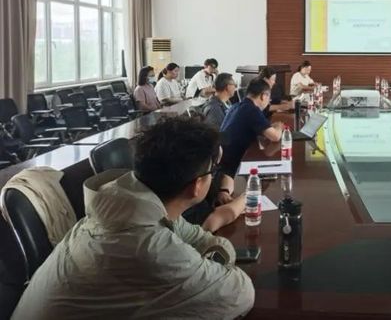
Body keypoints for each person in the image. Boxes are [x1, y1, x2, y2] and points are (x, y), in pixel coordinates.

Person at [10, 117, 255, 319]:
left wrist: (205, 265)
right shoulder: (145, 243)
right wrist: (208, 267)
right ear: (197, 186)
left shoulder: (130, 202)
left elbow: (199, 238)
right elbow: (241, 292)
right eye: (213, 171)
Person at [219, 78, 284, 176]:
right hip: (232, 168)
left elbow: (262, 131)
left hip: (222, 162)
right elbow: (275, 137)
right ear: (263, 96)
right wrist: (279, 126)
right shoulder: (252, 110)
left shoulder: (237, 106)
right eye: (269, 98)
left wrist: (271, 128)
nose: (269, 102)